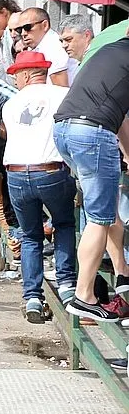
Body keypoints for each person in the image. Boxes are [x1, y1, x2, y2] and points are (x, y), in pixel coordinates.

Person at [53, 37, 129, 321]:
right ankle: (84, 296)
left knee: (104, 207)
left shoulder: (110, 51)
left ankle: (122, 270)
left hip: (64, 130)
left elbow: (119, 114)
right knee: (99, 218)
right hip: (93, 134)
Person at [0, 51, 77, 324]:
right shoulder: (63, 94)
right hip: (51, 169)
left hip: (17, 172)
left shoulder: (11, 104)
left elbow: (5, 133)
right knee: (64, 224)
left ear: (24, 74)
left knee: (30, 235)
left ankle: (32, 296)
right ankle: (67, 286)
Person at [16, 7, 78, 86]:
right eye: (19, 29)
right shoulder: (40, 45)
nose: (23, 33)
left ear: (45, 25)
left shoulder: (53, 45)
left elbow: (60, 88)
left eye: (27, 27)